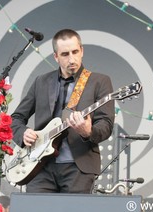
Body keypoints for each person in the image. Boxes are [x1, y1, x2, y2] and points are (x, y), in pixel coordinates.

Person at [10, 28, 115, 193]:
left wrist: (89, 131)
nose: (71, 59)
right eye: (65, 54)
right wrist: (23, 133)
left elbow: (106, 125)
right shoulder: (41, 82)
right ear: (56, 57)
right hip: (40, 167)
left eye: (75, 52)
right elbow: (16, 118)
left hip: (78, 168)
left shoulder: (99, 81)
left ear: (82, 51)